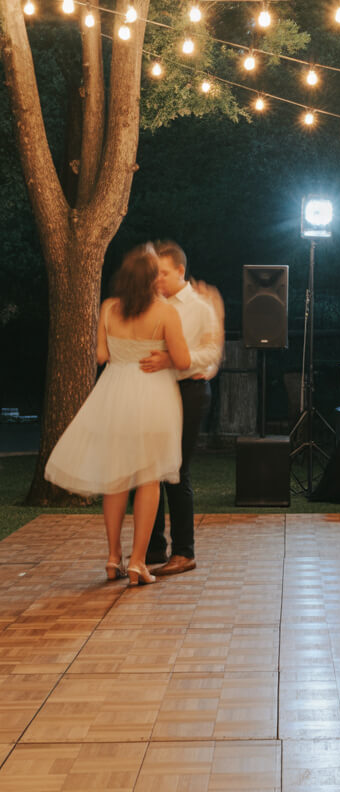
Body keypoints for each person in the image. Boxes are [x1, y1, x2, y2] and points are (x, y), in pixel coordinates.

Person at [45, 245, 191, 586]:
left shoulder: (109, 308)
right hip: (152, 395)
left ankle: (114, 557)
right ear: (153, 278)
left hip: (113, 395)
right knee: (148, 479)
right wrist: (164, 357)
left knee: (115, 480)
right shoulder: (165, 312)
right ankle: (139, 562)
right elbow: (183, 360)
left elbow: (100, 354)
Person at [143, 241, 224, 577]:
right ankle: (151, 549)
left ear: (179, 270)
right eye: (153, 274)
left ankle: (184, 551)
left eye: (163, 272)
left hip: (189, 390)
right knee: (150, 471)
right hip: (154, 392)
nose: (157, 279)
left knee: (176, 470)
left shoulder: (200, 307)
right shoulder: (151, 304)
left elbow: (211, 354)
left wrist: (175, 361)